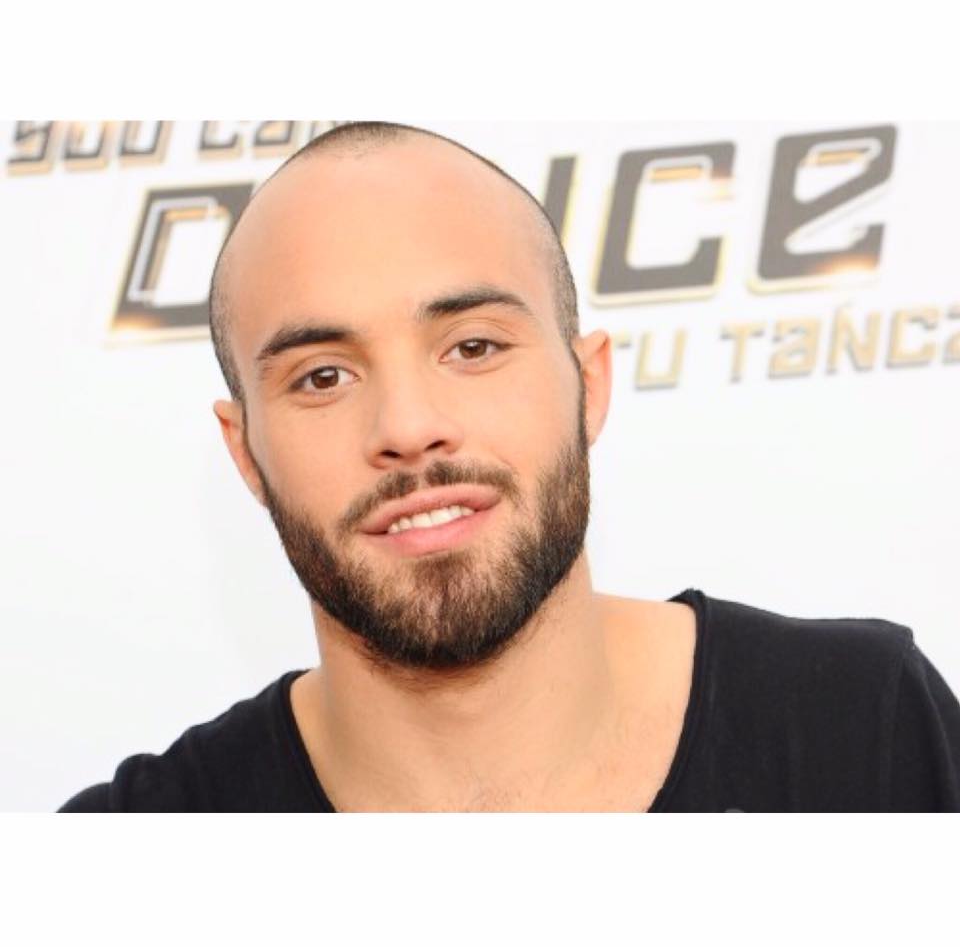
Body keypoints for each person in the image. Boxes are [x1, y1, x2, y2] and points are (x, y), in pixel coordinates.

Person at [60, 122, 960, 812]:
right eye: (323, 377)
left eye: (474, 347)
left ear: (588, 385)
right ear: (245, 452)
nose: (409, 428)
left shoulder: (863, 725)